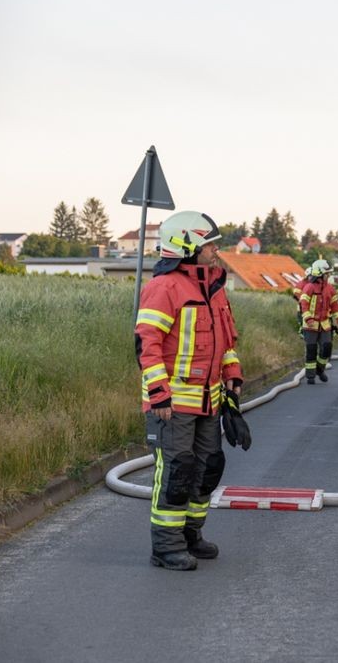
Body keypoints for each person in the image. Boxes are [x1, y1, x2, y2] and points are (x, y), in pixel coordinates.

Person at [135, 211, 244, 571]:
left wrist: (232, 372)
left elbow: (225, 339)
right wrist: (158, 394)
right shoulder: (164, 288)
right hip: (173, 404)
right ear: (188, 245)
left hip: (209, 400)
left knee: (208, 468)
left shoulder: (213, 286)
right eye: (209, 244)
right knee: (177, 472)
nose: (215, 250)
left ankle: (190, 536)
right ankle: (165, 547)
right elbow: (146, 344)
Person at [299, 258, 338, 385]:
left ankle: (320, 369)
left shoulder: (330, 288)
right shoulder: (309, 287)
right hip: (310, 325)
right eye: (327, 273)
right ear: (319, 273)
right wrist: (308, 318)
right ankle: (310, 376)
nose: (328, 275)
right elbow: (304, 304)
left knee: (327, 347)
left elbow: (334, 305)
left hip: (325, 324)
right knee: (311, 349)